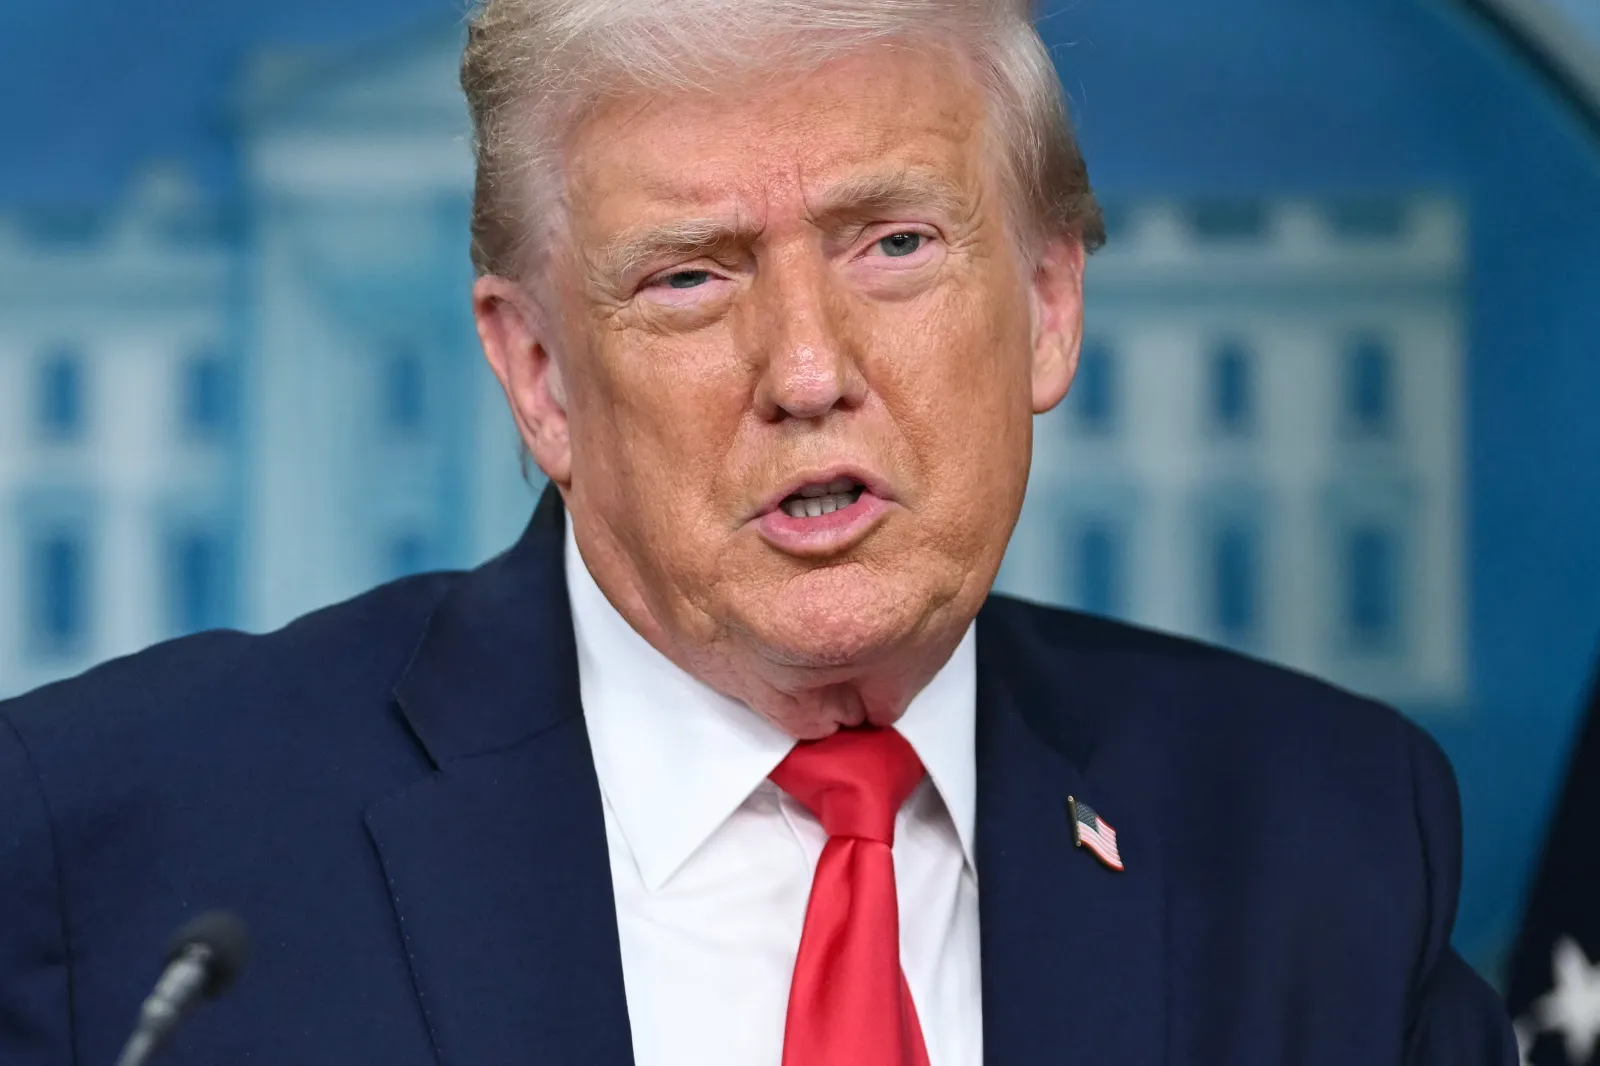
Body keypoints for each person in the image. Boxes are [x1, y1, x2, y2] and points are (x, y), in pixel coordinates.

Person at [0, 0, 1517, 1063]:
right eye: (689, 278)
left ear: (1050, 304)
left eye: (896, 244)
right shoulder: (117, 848)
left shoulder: (1327, 837)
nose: (807, 369)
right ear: (540, 377)